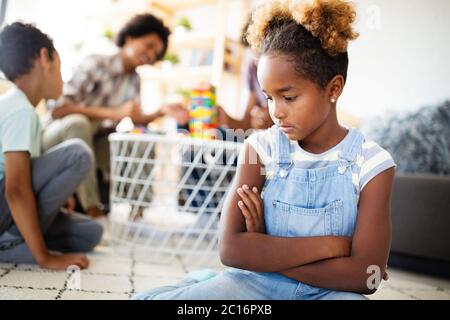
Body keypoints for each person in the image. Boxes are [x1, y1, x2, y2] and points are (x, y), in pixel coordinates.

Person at [134, 0, 395, 300]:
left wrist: (263, 249)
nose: (276, 112)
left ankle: (203, 282)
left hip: (329, 294)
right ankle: (197, 285)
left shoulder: (373, 163)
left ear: (334, 89)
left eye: (289, 97)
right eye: (269, 98)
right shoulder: (259, 149)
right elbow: (231, 250)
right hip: (254, 284)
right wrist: (330, 247)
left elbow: (366, 276)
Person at [42, 14, 189, 218]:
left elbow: (136, 117)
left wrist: (162, 111)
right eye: (148, 45)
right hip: (59, 137)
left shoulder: (134, 80)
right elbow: (59, 110)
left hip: (94, 140)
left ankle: (138, 210)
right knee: (79, 123)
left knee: (140, 139)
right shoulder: (96, 62)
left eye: (156, 52)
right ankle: (92, 209)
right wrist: (113, 113)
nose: (151, 55)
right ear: (129, 37)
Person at [0, 22, 103, 269]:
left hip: (5, 210)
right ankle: (12, 244)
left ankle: (20, 239)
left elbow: (28, 171)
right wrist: (45, 258)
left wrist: (58, 191)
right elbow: (15, 189)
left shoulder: (18, 105)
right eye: (60, 66)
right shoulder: (21, 111)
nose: (62, 78)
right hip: (4, 207)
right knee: (78, 154)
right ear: (45, 58)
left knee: (90, 232)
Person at [217, 16, 273, 132]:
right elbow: (246, 123)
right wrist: (225, 118)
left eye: (260, 50)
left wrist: (274, 117)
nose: (256, 58)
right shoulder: (251, 67)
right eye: (253, 51)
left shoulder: (288, 65)